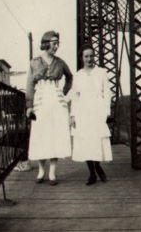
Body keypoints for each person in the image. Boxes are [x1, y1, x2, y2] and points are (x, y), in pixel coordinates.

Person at [26, 31, 72, 185]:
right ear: (46, 43)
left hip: (56, 102)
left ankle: (52, 172)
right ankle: (41, 170)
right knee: (40, 135)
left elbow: (69, 77)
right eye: (54, 43)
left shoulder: (60, 62)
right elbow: (30, 85)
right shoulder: (34, 62)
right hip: (40, 101)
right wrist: (29, 106)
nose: (56, 46)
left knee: (55, 135)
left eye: (58, 43)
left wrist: (63, 93)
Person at [70, 44, 113, 185]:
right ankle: (92, 173)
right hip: (83, 112)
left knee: (97, 140)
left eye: (91, 56)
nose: (89, 59)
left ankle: (98, 165)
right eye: (86, 56)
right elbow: (75, 97)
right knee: (86, 142)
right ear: (82, 58)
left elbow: (107, 93)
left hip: (97, 110)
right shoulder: (78, 75)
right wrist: (73, 116)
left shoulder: (101, 72)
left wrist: (106, 111)